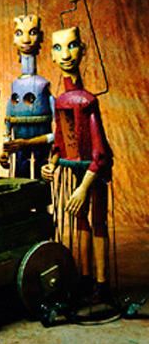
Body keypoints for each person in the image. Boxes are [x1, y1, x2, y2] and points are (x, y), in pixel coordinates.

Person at [41, 27, 113, 304]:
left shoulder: (87, 101)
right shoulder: (62, 102)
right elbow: (60, 139)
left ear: (82, 50)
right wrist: (51, 164)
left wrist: (83, 188)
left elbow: (100, 154)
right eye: (58, 48)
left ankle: (102, 285)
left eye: (71, 46)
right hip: (77, 171)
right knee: (80, 220)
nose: (65, 54)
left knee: (98, 222)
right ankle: (85, 278)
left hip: (94, 175)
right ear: (51, 54)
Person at [0, 15, 54, 179]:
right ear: (14, 39)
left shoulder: (44, 87)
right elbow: (7, 127)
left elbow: (58, 135)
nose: (26, 39)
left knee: (41, 178)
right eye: (19, 33)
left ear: (40, 37)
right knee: (20, 175)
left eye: (32, 32)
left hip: (42, 154)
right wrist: (5, 152)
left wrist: (29, 143)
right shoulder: (15, 87)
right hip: (20, 155)